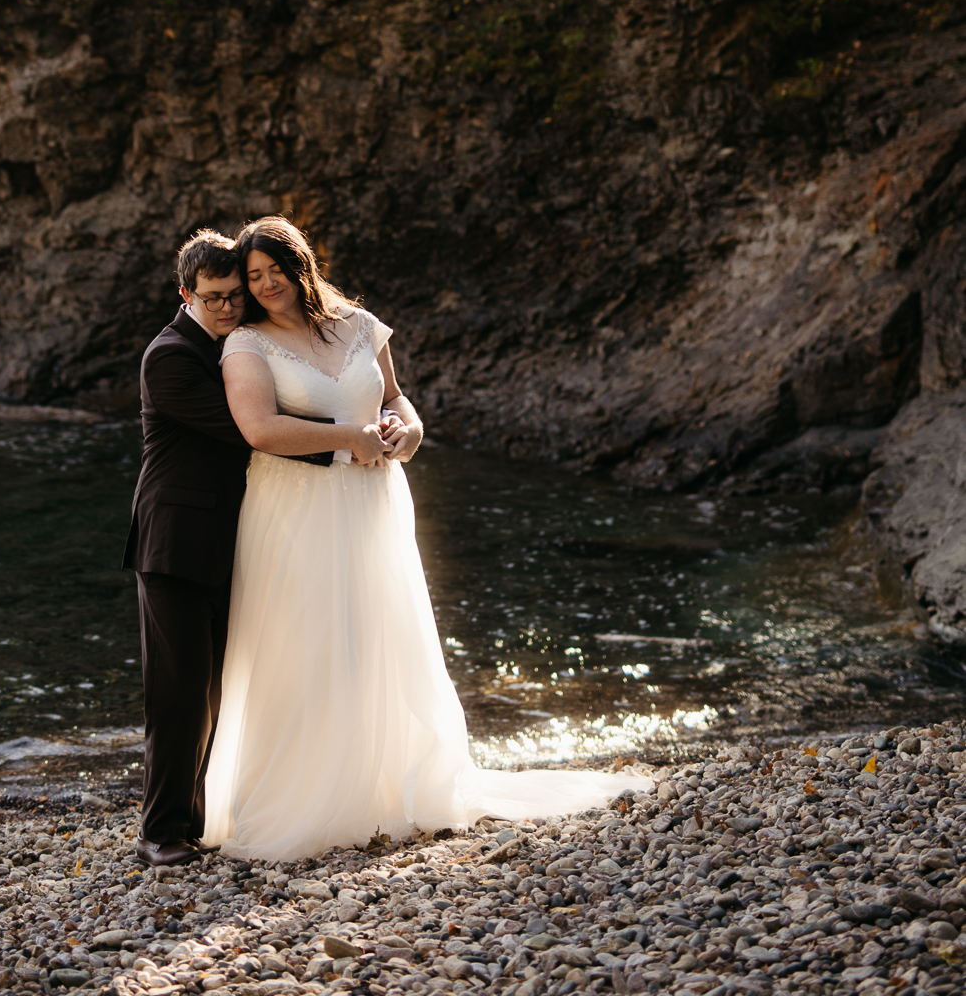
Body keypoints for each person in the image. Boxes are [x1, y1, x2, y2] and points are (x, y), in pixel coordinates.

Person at [202, 216, 651, 860]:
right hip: (293, 508)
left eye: (276, 270)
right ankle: (300, 796)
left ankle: (384, 787)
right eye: (254, 276)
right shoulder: (247, 342)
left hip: (373, 500)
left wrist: (406, 434)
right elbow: (260, 429)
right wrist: (349, 438)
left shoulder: (360, 325)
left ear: (301, 266)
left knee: (379, 630)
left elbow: (397, 400)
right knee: (305, 638)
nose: (267, 284)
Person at [122, 228, 387, 868]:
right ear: (184, 293)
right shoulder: (172, 357)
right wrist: (354, 434)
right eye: (212, 297)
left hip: (238, 538)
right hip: (177, 545)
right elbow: (251, 430)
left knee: (223, 683)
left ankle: (207, 815)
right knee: (180, 691)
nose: (226, 307)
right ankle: (161, 833)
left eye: (233, 296)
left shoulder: (234, 344)